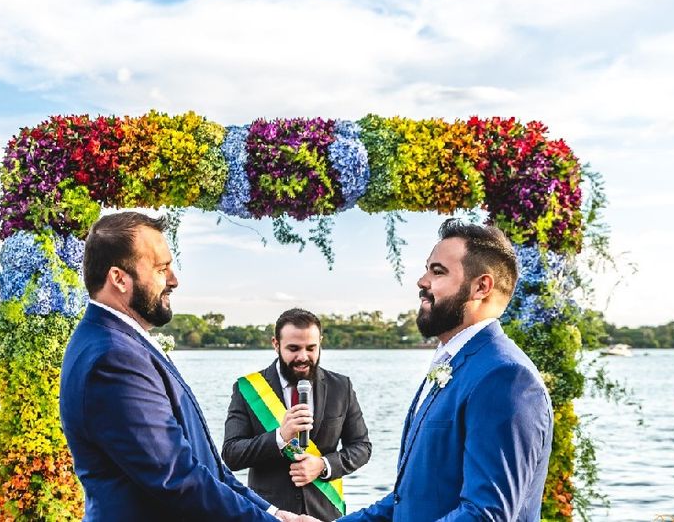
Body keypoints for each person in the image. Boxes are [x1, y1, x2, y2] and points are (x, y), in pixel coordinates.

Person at [59, 212, 317, 522]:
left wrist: (275, 513)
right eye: (160, 268)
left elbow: (208, 467)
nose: (174, 279)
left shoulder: (121, 341)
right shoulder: (112, 357)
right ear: (118, 278)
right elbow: (177, 479)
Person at [339, 219, 553, 522]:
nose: (422, 281)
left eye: (438, 271)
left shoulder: (505, 377)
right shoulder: (454, 362)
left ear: (481, 286)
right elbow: (413, 497)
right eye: (428, 269)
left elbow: (485, 515)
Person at [222, 308, 372, 521]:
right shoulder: (247, 389)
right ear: (276, 344)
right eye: (293, 348)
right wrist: (280, 437)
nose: (303, 357)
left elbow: (362, 447)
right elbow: (232, 455)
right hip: (269, 514)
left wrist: (323, 465)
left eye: (311, 348)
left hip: (325, 513)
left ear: (321, 342)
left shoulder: (341, 387)